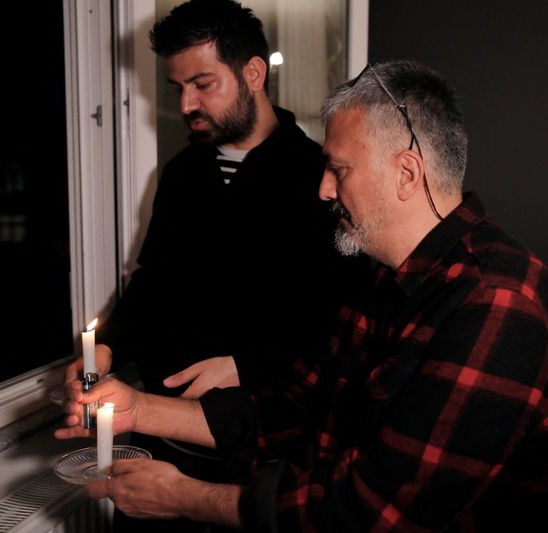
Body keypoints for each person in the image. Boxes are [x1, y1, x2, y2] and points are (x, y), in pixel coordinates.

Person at [59, 59, 548, 531]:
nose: (324, 190)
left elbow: (374, 513)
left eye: (339, 169)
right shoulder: (384, 278)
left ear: (406, 173)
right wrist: (137, 411)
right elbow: (294, 408)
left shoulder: (498, 303)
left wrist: (182, 497)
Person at [63, 0, 360, 530]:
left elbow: (338, 319)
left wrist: (248, 362)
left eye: (203, 83)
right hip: (155, 431)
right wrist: (107, 346)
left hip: (261, 449)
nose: (187, 104)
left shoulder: (319, 177)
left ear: (253, 73)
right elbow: (151, 285)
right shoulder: (181, 175)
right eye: (178, 87)